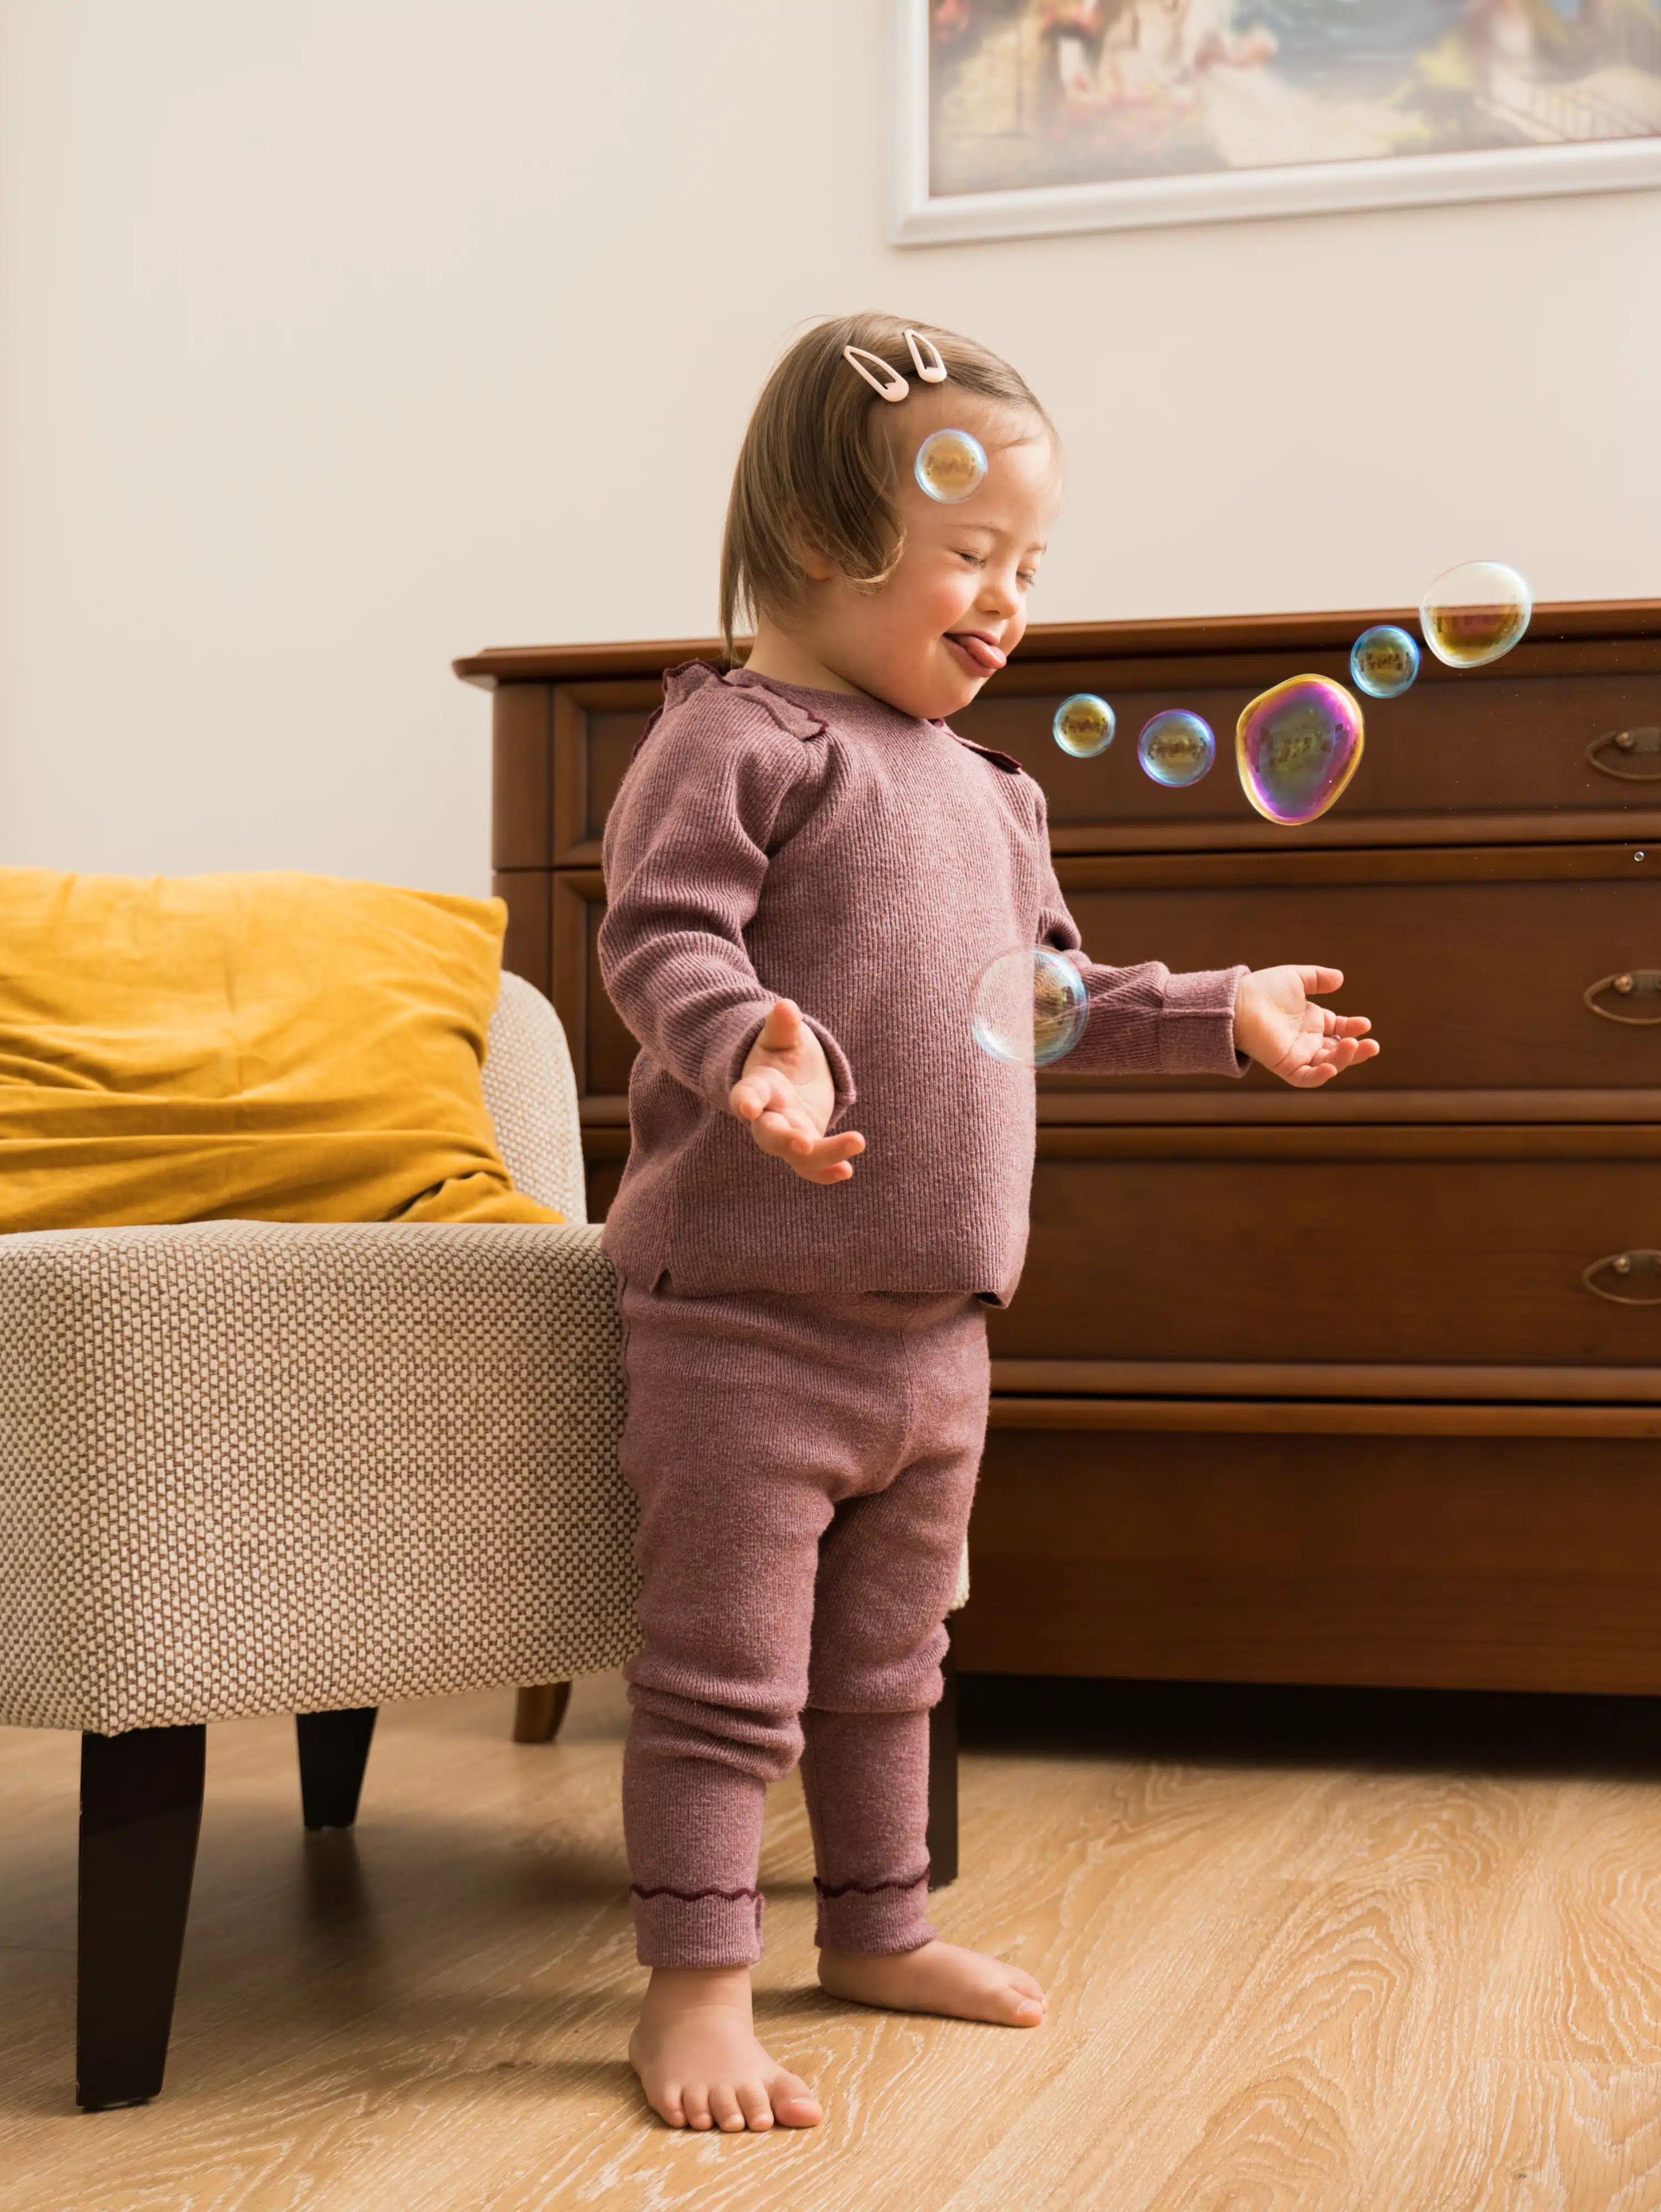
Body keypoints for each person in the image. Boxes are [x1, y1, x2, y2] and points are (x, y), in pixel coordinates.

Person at [595, 312, 1376, 2133]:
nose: (1012, 599)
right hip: (744, 1317)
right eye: (974, 556)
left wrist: (1223, 1011)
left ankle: (878, 1926)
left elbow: (1050, 997)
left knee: (893, 1671)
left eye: (1033, 566)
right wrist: (750, 1052)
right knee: (725, 1679)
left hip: (936, 1329)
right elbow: (662, 942)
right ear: (814, 546)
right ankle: (696, 1987)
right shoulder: (738, 741)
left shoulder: (993, 788)